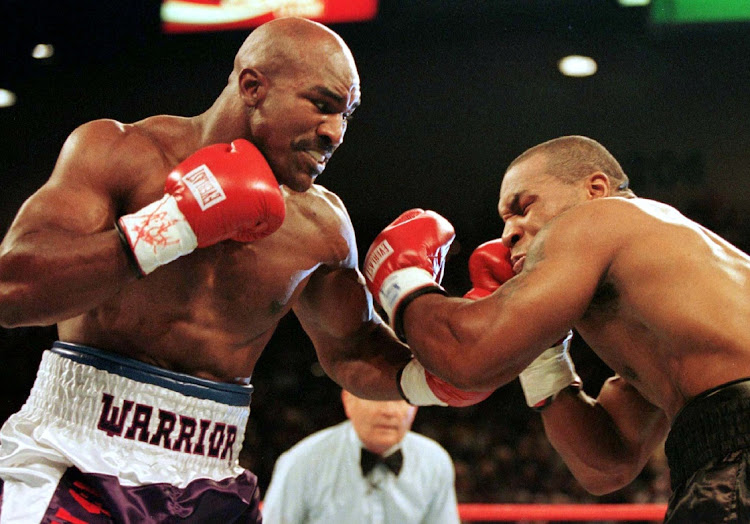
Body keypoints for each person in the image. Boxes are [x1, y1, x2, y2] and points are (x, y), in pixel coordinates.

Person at [0, 17, 488, 522]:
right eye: (322, 105)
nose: (335, 133)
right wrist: (170, 226)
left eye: (346, 115)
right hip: (78, 456)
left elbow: (352, 350)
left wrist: (434, 378)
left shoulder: (322, 225)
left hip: (212, 477)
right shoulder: (120, 153)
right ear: (253, 87)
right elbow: (11, 290)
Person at [363, 135, 750, 522]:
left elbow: (467, 356)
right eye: (504, 221)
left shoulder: (602, 217)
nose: (507, 234)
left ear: (595, 190)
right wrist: (543, 357)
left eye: (523, 207)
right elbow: (606, 466)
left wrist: (403, 281)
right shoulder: (675, 321)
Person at [261, 389, 460, 524]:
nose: (388, 411)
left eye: (402, 399)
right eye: (376, 398)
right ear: (348, 400)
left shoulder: (435, 462)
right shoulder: (301, 461)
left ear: (415, 406)